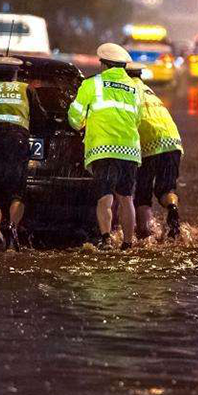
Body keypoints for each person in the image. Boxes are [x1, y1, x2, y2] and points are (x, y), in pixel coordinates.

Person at [68, 43, 142, 250]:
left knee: (105, 196)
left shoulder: (93, 84)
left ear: (103, 64)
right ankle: (128, 243)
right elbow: (138, 118)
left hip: (103, 148)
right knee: (127, 198)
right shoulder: (136, 88)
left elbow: (75, 116)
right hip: (130, 149)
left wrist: (81, 124)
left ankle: (106, 239)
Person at [0, 56, 46, 250]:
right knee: (17, 191)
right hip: (18, 142)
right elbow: (41, 118)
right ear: (16, 74)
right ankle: (13, 230)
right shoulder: (26, 89)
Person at [126, 62, 184, 239]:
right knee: (166, 190)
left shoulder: (125, 91)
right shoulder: (149, 91)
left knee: (142, 194)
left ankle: (145, 234)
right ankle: (172, 209)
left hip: (150, 145)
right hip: (173, 141)